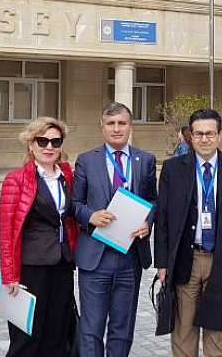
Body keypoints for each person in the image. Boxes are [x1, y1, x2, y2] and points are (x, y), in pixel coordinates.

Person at [154, 109, 222, 357]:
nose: (204, 139)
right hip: (186, 259)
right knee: (184, 329)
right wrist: (162, 263)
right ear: (190, 136)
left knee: (216, 330)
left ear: (219, 136)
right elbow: (162, 218)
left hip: (221, 260)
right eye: (199, 134)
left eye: (210, 133)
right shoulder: (173, 169)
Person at [72, 102, 157, 357]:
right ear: (102, 127)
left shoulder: (146, 160)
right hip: (95, 258)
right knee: (91, 329)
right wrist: (91, 215)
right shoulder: (87, 160)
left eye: (122, 123)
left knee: (122, 328)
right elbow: (74, 204)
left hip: (130, 257)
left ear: (130, 126)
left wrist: (148, 222)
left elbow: (154, 199)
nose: (116, 129)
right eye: (111, 123)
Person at [0, 117, 79, 357]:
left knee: (58, 333)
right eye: (42, 141)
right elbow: (7, 232)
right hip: (31, 268)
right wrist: (9, 275)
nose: (49, 147)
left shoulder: (67, 176)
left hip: (63, 264)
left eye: (55, 141)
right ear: (31, 145)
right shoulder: (16, 180)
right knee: (26, 336)